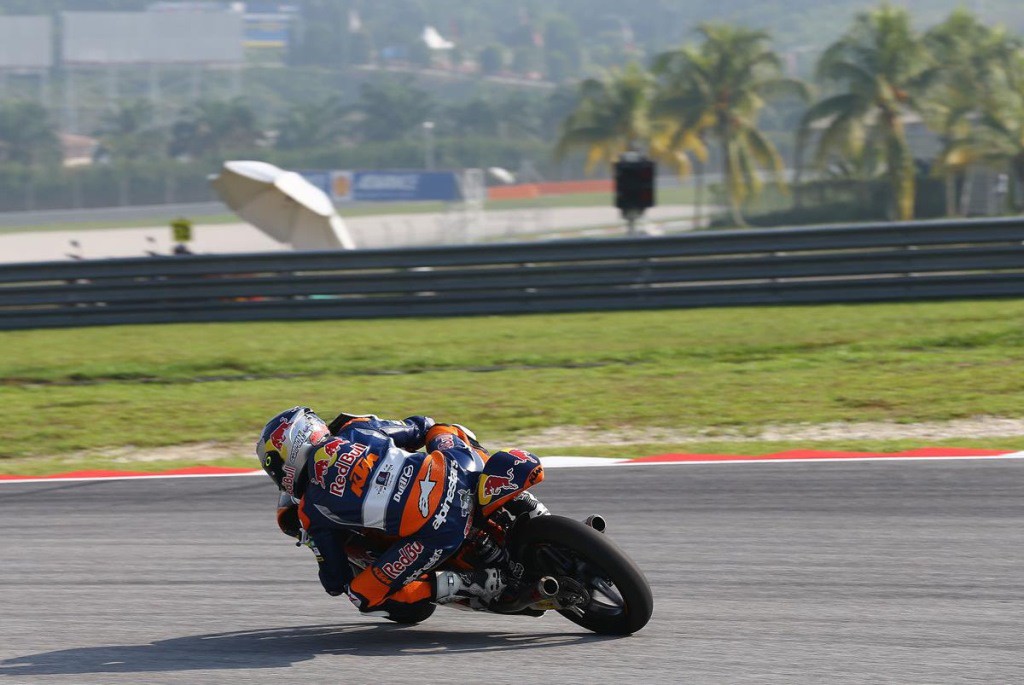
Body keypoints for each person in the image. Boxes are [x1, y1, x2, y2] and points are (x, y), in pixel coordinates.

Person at [256, 406, 546, 619]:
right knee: (444, 429)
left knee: (361, 595)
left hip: (437, 529)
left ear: (287, 455)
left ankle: (474, 583)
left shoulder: (310, 509)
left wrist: (311, 541)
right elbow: (421, 426)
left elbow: (334, 580)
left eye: (273, 465)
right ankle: (530, 508)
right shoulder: (356, 429)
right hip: (459, 471)